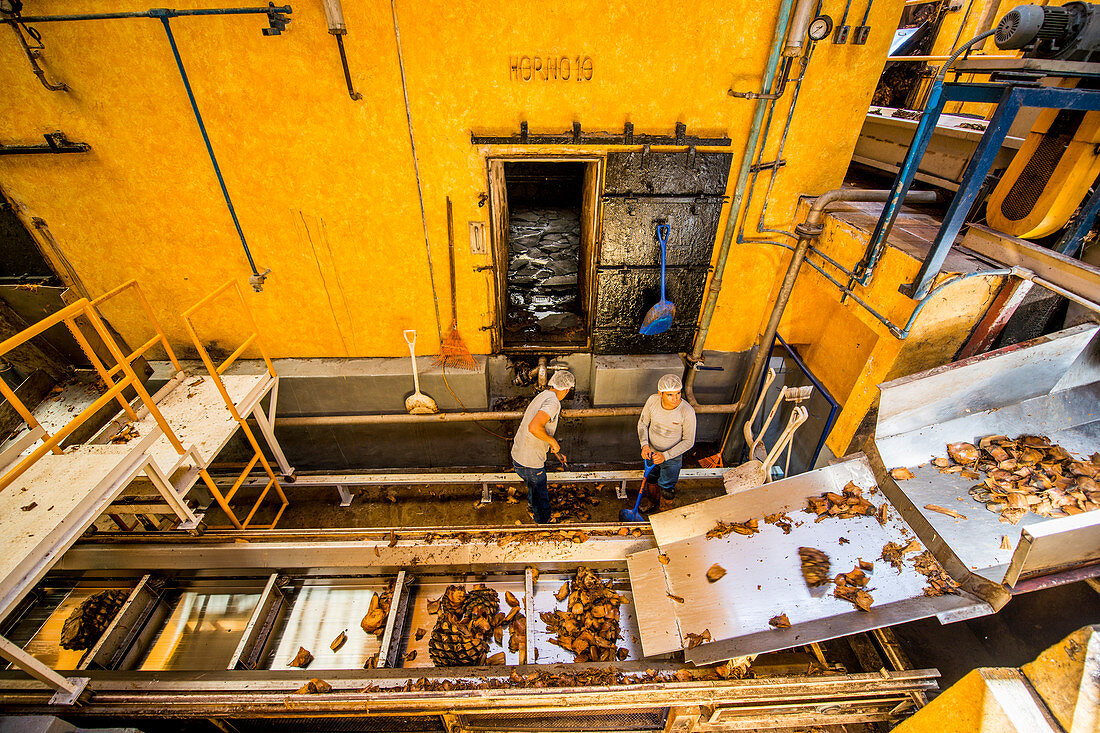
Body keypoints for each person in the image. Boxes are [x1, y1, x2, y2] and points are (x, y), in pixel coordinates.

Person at [511, 370, 575, 523]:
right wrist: (553, 441)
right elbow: (534, 427)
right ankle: (543, 524)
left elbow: (540, 428)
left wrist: (553, 448)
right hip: (530, 462)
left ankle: (532, 508)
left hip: (519, 455)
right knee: (541, 496)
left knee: (533, 488)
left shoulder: (544, 395)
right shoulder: (553, 403)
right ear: (566, 389)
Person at [637, 373, 697, 513]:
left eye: (678, 393)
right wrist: (644, 444)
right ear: (660, 394)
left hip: (672, 457)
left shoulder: (687, 412)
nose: (675, 399)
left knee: (667, 487)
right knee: (651, 479)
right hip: (651, 452)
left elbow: (689, 441)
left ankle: (664, 511)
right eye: (670, 394)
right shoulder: (652, 401)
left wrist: (666, 455)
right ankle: (652, 501)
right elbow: (642, 424)